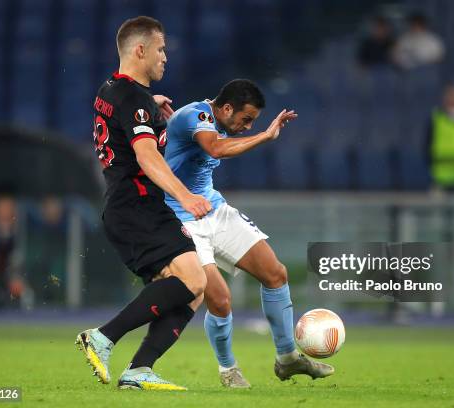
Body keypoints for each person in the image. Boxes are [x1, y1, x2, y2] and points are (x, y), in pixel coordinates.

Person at [164, 79, 334, 388]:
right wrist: (265, 135)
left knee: (275, 273)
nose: (246, 126)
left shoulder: (203, 121)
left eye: (252, 122)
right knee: (219, 299)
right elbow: (214, 147)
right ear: (226, 108)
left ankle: (287, 358)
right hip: (181, 217)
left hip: (214, 208)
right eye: (245, 119)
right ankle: (228, 369)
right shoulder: (196, 116)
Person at [76, 16, 211, 391]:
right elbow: (147, 156)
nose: (165, 56)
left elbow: (124, 112)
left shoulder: (111, 89)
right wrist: (186, 196)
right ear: (140, 50)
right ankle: (102, 337)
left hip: (125, 207)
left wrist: (150, 108)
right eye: (161, 49)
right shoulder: (134, 99)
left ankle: (139, 370)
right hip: (137, 206)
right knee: (194, 278)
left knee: (192, 289)